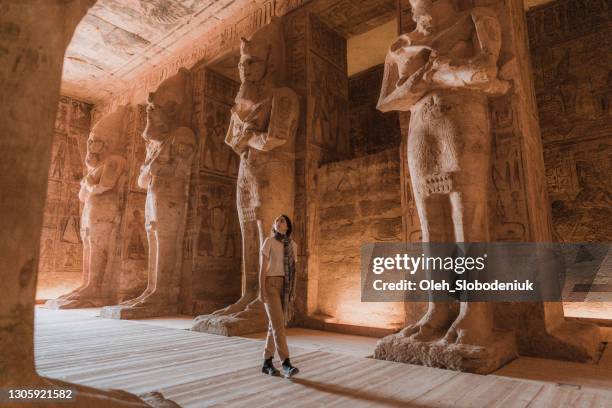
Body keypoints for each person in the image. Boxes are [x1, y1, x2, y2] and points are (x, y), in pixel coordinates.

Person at [258, 214, 299, 378]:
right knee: (278, 326)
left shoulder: (293, 245)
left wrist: (293, 290)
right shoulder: (269, 242)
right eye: (276, 220)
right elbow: (262, 268)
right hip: (271, 285)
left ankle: (267, 362)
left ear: (287, 226)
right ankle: (286, 363)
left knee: (274, 325)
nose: (278, 222)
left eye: (281, 220)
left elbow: (294, 271)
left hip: (286, 287)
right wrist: (261, 289)